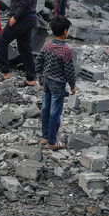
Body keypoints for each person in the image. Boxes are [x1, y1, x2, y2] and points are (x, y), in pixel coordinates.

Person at [37, 16, 76, 150]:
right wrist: (73, 86)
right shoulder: (66, 51)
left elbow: (39, 61)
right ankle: (52, 142)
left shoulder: (47, 45)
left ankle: (45, 136)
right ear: (65, 31)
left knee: (45, 109)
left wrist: (40, 76)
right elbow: (70, 71)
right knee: (55, 112)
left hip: (47, 81)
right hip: (58, 84)